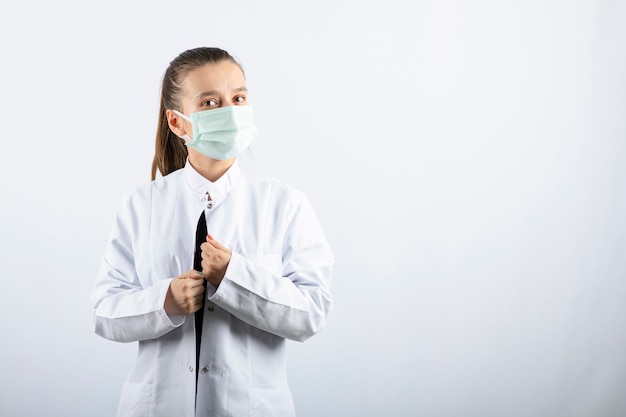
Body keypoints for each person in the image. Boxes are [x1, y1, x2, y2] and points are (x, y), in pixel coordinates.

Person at [91, 47, 334, 417]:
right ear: (177, 123)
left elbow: (312, 314)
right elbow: (105, 312)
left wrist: (235, 277)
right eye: (209, 103)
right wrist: (164, 301)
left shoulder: (284, 205)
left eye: (238, 98)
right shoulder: (141, 206)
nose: (230, 112)